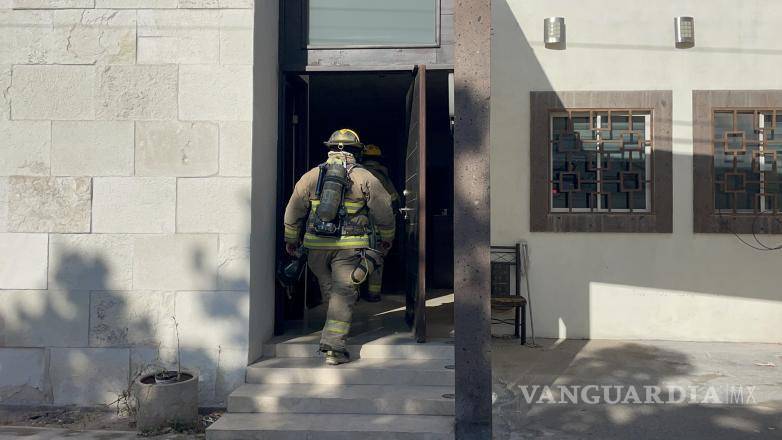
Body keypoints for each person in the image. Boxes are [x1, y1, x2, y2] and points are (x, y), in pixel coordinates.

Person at [283, 129, 395, 365]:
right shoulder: (366, 177)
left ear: (330, 148)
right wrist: (387, 237)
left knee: (332, 292)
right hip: (349, 248)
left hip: (315, 248)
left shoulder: (310, 176)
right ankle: (333, 347)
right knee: (343, 294)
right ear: (356, 151)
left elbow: (293, 210)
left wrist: (291, 240)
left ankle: (332, 333)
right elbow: (384, 210)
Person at [360, 144, 400, 302]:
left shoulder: (355, 175)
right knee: (376, 258)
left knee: (352, 259)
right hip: (377, 226)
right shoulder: (383, 176)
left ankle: (354, 292)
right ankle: (373, 293)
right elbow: (394, 200)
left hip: (356, 226)